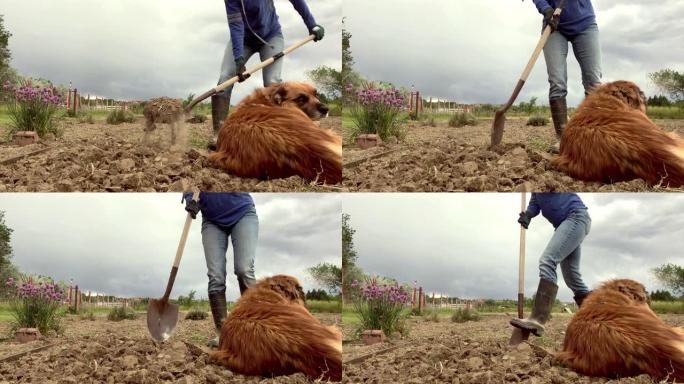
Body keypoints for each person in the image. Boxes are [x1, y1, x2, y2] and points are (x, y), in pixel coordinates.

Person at [210, 0, 325, 144]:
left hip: (271, 37)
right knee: (225, 77)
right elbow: (236, 25)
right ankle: (218, 135)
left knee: (272, 83)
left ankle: (281, 133)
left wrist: (311, 24)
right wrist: (238, 58)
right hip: (243, 39)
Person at [510, 192, 592, 336]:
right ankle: (595, 317)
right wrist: (528, 214)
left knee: (547, 261)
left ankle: (537, 320)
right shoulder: (535, 191)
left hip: (575, 216)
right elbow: (535, 203)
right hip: (566, 223)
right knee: (572, 277)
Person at [184, 192, 258, 347]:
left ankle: (254, 331)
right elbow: (189, 182)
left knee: (244, 269)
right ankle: (223, 335)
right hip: (211, 220)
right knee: (215, 276)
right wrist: (191, 198)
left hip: (242, 212)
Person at [532, 0, 602, 152]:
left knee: (594, 83)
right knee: (557, 82)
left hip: (585, 24)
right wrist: (546, 9)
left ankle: (592, 138)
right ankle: (564, 140)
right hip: (554, 26)